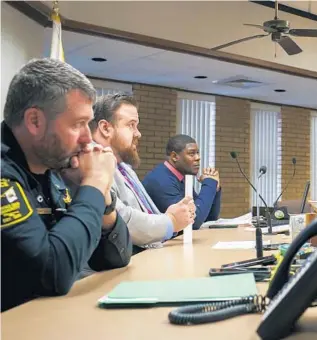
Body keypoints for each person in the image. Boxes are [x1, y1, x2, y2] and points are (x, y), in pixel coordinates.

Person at [1, 58, 131, 312]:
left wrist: (103, 199)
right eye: (78, 124)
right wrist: (94, 182)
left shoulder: (52, 166)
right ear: (35, 121)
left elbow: (115, 257)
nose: (87, 138)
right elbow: (52, 274)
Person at [89, 94, 195, 253]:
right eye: (131, 125)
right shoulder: (91, 162)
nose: (138, 133)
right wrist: (170, 221)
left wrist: (175, 215)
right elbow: (119, 220)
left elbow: (143, 216)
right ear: (105, 128)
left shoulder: (124, 168)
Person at [142, 134, 222, 230]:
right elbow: (192, 222)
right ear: (174, 156)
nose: (198, 157)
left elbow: (208, 219)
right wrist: (209, 183)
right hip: (161, 243)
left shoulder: (181, 178)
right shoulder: (161, 180)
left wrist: (214, 188)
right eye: (191, 154)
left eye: (198, 153)